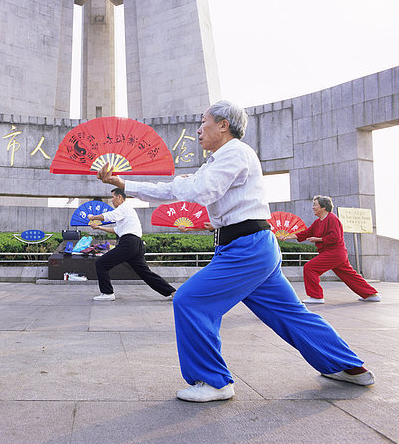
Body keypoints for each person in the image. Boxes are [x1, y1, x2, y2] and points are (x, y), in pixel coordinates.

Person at [96, 100, 375, 403]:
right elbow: (174, 190)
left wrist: (177, 184)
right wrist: (124, 184)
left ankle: (214, 382)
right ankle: (349, 367)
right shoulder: (217, 161)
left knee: (190, 301)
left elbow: (200, 192)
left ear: (223, 125)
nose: (198, 129)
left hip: (247, 248)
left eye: (203, 122)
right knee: (289, 313)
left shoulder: (234, 153)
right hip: (248, 246)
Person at [281, 195, 380, 304]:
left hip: (334, 253)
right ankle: (371, 294)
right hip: (334, 254)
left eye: (315, 205)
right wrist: (287, 237)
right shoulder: (318, 222)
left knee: (310, 268)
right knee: (349, 275)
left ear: (323, 207)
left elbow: (335, 237)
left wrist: (317, 239)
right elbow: (306, 233)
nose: (313, 207)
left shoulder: (332, 218)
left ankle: (316, 297)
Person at [87, 188, 176, 301]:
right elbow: (116, 230)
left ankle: (107, 293)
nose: (111, 201)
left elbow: (110, 216)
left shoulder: (124, 207)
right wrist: (99, 227)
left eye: (113, 197)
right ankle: (172, 292)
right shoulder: (127, 212)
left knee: (101, 263)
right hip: (136, 244)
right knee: (145, 273)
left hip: (128, 243)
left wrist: (92, 217)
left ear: (120, 197)